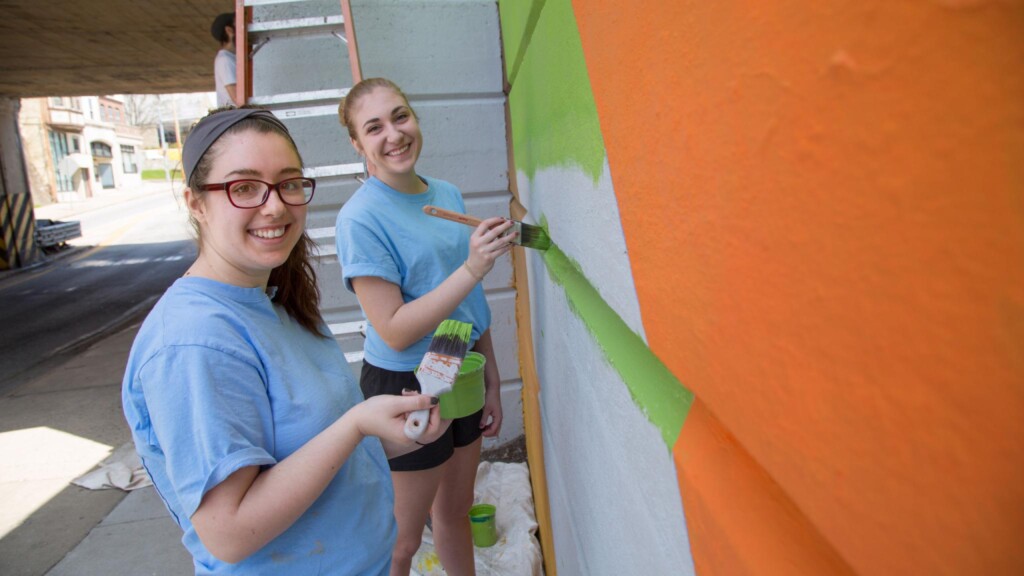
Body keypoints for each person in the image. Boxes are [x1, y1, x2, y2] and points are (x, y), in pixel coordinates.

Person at [121, 106, 447, 575]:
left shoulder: (272, 299)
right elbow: (229, 533)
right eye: (244, 187)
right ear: (196, 204)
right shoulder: (194, 342)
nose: (275, 205)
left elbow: (312, 453)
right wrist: (356, 424)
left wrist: (390, 434)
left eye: (289, 183)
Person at [335, 78, 515, 576]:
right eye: (374, 127)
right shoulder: (361, 219)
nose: (393, 134)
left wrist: (493, 379)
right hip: (406, 385)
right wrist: (473, 267)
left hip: (464, 369)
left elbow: (469, 305)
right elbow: (392, 329)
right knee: (404, 540)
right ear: (357, 144)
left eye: (400, 116)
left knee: (454, 514)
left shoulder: (447, 194)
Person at [211, 13, 239, 107]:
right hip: (237, 119)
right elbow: (237, 98)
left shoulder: (231, 57)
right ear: (229, 30)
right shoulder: (225, 60)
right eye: (238, 24)